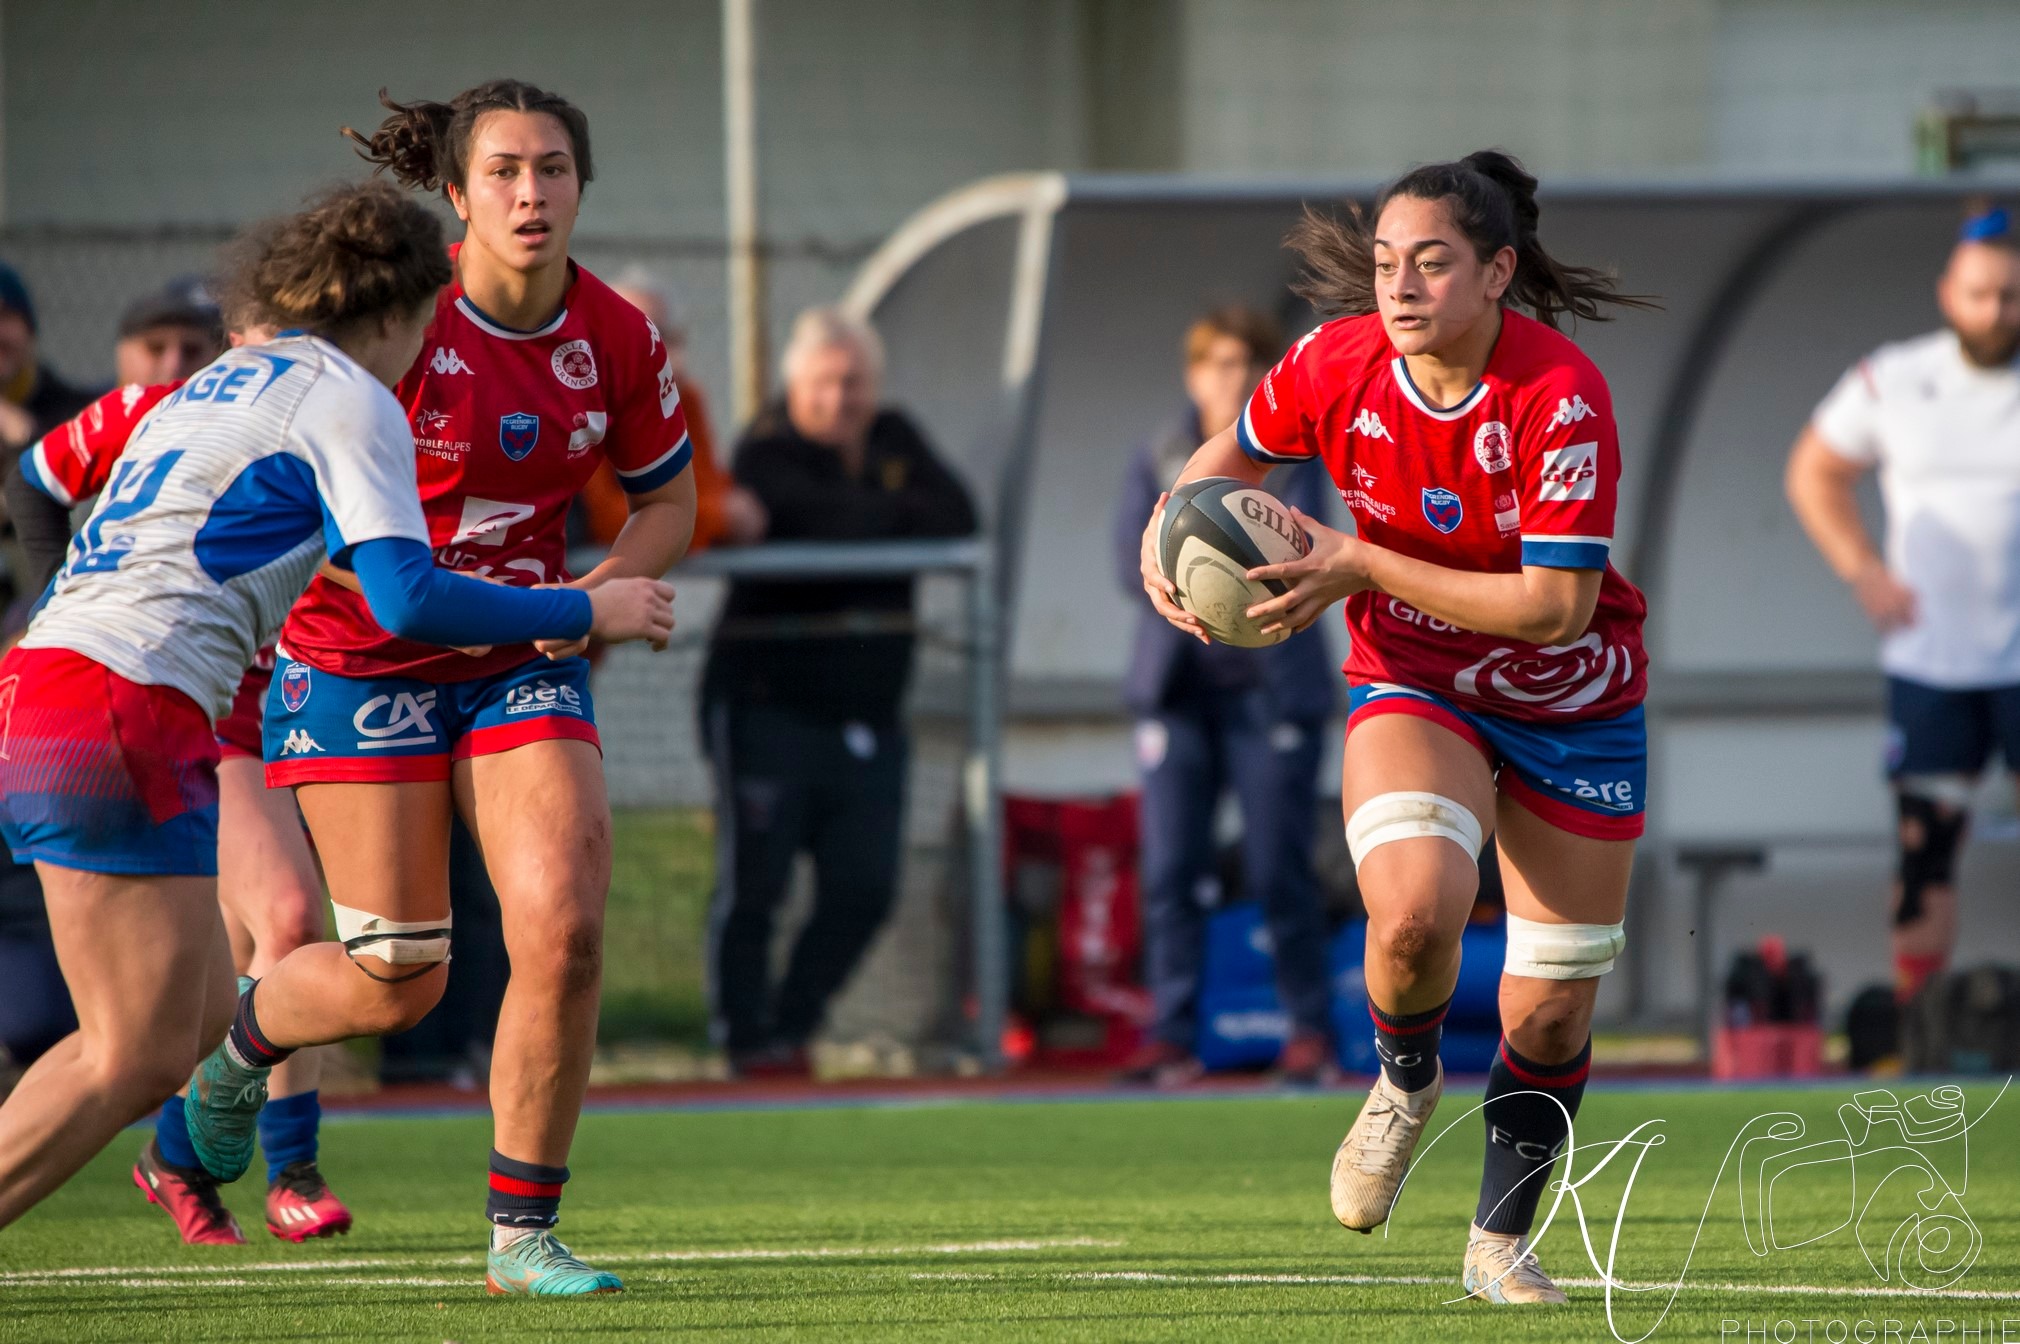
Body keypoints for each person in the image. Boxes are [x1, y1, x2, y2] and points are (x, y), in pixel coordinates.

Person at [0, 179, 672, 1237]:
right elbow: (407, 597)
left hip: (64, 687)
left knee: (204, 1016)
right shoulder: (349, 397)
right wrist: (582, 608)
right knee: (129, 1053)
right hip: (123, 704)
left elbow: (44, 484)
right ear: (405, 314)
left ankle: (211, 1138)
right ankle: (229, 1146)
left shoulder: (220, 382)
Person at [185, 80, 698, 1298]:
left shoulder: (616, 336)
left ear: (583, 186)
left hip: (519, 656)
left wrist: (602, 593)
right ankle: (234, 1059)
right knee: (397, 982)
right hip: (357, 658)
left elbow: (666, 500)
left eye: (556, 168)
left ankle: (522, 1236)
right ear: (456, 197)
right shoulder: (388, 324)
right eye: (507, 171)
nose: (534, 193)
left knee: (565, 930)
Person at [1138, 150, 1653, 1304]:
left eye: (1430, 262)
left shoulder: (1557, 395)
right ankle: (1403, 1081)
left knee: (1553, 999)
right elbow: (1235, 452)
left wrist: (1360, 558)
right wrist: (1170, 524)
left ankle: (1498, 1242)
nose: (1400, 287)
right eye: (1383, 264)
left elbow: (1552, 606)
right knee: (1415, 916)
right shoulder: (1336, 359)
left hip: (1573, 702)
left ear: (1496, 272)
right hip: (1416, 680)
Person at [5, 276, 356, 1245]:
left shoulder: (320, 412)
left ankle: (181, 1152)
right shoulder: (224, 410)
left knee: (195, 1020)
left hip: (172, 711)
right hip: (143, 705)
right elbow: (32, 479)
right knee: (147, 1032)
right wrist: (571, 609)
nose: (177, 364)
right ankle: (289, 1161)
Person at [700, 306, 977, 1077]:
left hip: (872, 715)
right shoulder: (767, 448)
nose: (841, 397)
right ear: (795, 383)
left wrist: (859, 526)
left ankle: (793, 1026)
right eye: (825, 381)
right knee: (758, 883)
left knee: (866, 885)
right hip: (767, 707)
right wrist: (880, 530)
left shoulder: (895, 438)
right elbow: (813, 519)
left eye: (854, 381)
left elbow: (956, 513)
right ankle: (744, 1039)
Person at [1786, 206, 2020, 1007]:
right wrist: (1865, 572)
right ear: (1950, 293)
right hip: (1934, 665)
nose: (1996, 311)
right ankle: (1925, 1041)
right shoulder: (1896, 377)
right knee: (1924, 861)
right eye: (1982, 293)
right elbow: (1814, 471)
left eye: (2012, 296)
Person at [1113, 307, 1338, 1088]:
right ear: (1193, 373)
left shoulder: (1293, 452)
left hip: (1274, 698)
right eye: (1216, 362)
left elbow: (1301, 544)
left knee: (1280, 867)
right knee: (1173, 869)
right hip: (1178, 697)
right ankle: (1171, 1034)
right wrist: (1185, 580)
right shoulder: (1159, 454)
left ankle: (1308, 1031)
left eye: (1246, 362)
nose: (1231, 377)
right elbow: (1127, 560)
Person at [602, 267, 764, 551]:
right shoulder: (576, 403)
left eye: (655, 333)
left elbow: (706, 488)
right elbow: (602, 520)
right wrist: (719, 519)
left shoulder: (682, 398)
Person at [113, 276, 226, 388]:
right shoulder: (96, 402)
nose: (174, 365)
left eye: (191, 351)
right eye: (156, 348)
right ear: (124, 354)